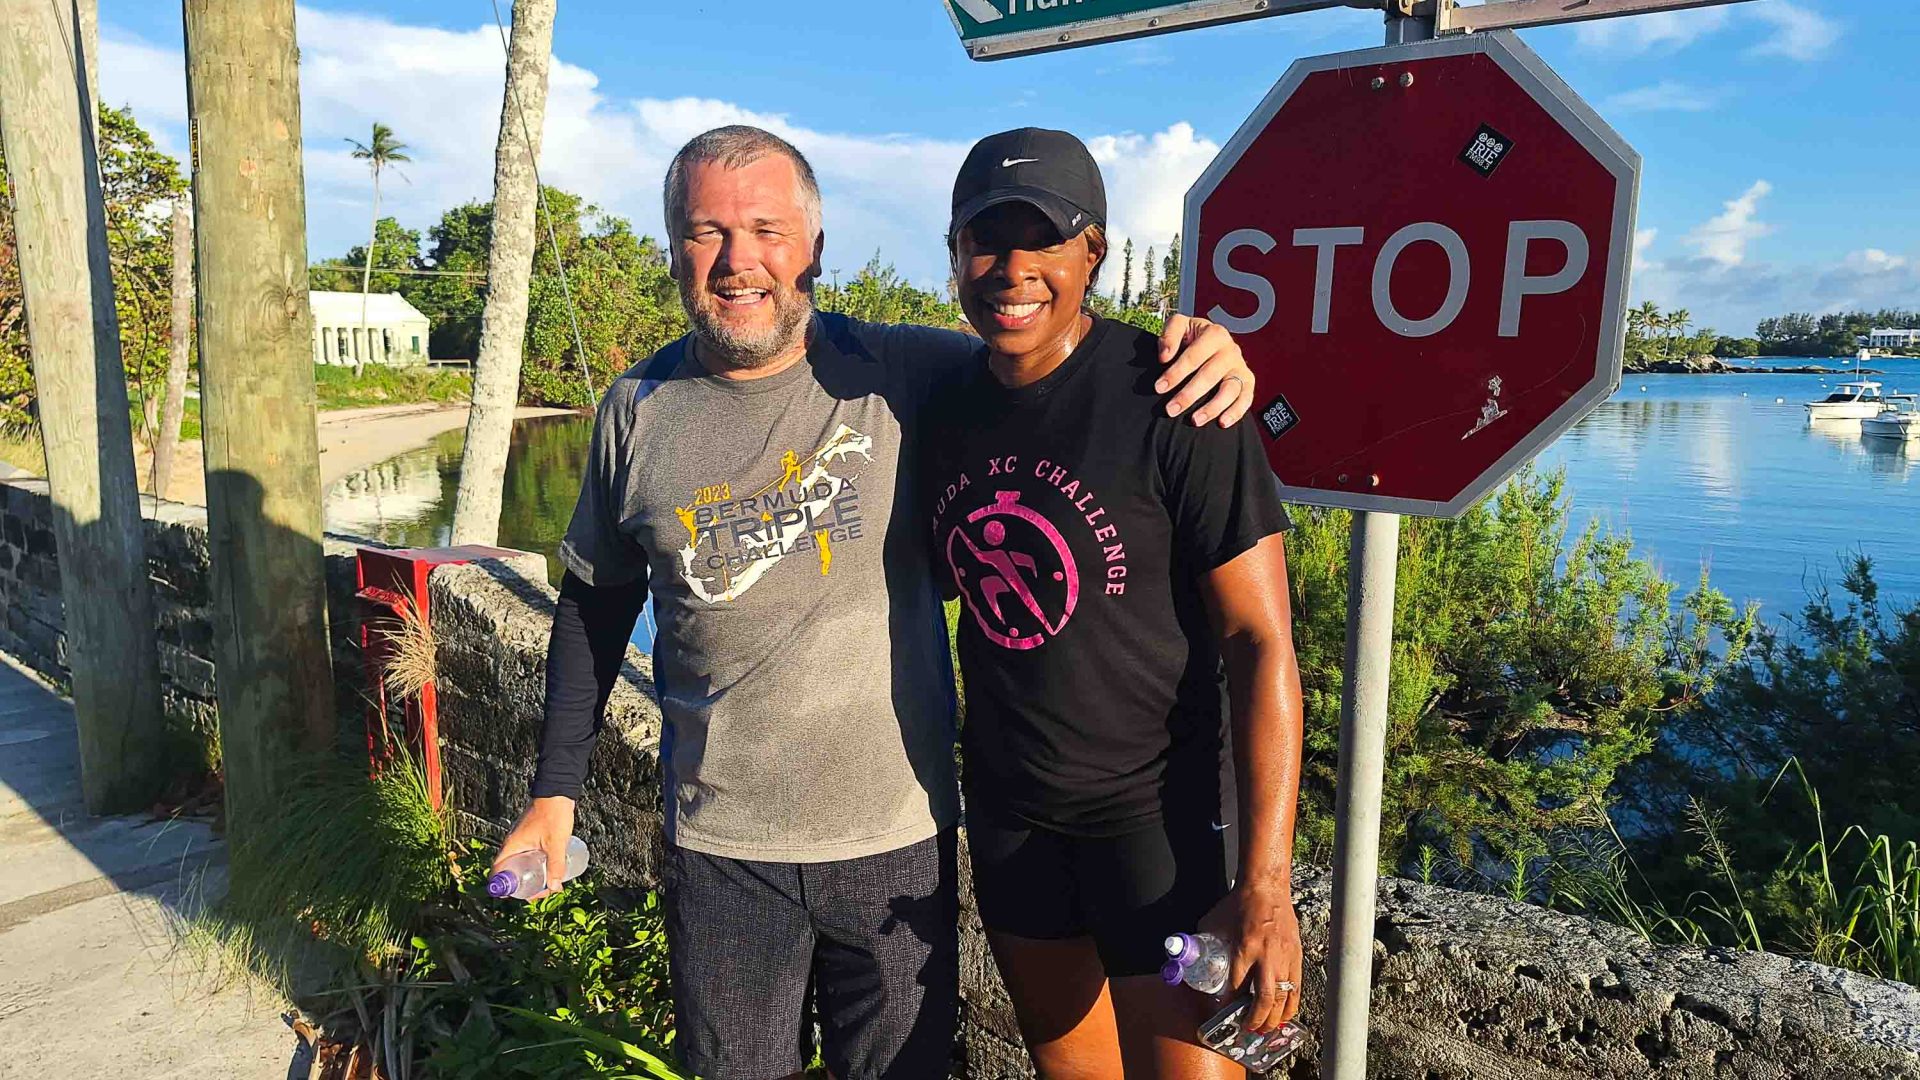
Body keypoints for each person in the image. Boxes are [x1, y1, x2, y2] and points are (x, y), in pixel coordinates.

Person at [490, 125, 1262, 1080]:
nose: (740, 261)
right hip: (723, 849)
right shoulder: (635, 410)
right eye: (706, 233)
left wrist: (1208, 346)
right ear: (674, 251)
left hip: (897, 840)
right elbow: (594, 607)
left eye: (768, 229)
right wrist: (553, 792)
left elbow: (1051, 361)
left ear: (814, 246)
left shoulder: (904, 373)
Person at [928, 128, 1306, 1078]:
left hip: (1161, 829)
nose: (1013, 269)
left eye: (1043, 239)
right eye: (987, 239)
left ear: (1092, 252)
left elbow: (1260, 642)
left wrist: (1265, 883)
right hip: (1013, 821)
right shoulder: (938, 408)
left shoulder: (1179, 398)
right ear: (955, 251)